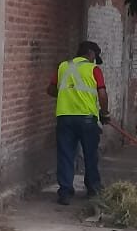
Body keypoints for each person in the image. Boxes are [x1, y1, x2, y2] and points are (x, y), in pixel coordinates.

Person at [47, 41, 110, 205]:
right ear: (90, 53)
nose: (95, 60)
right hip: (87, 119)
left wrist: (67, 93)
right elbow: (102, 94)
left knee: (66, 155)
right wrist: (104, 113)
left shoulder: (62, 67)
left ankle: (65, 192)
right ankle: (93, 189)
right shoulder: (94, 69)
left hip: (65, 117)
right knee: (90, 155)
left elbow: (51, 90)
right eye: (95, 56)